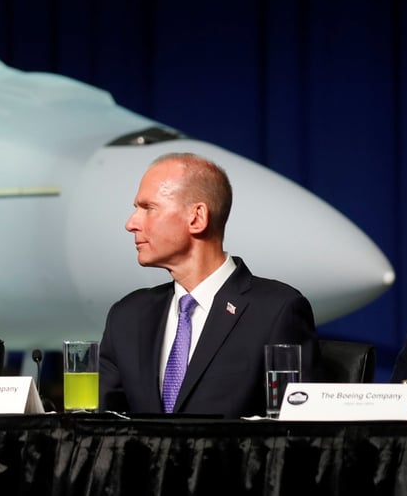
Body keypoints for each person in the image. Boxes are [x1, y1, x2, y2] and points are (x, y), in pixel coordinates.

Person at [98, 153, 320, 418]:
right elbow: (97, 427)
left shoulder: (276, 311)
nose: (131, 223)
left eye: (148, 208)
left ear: (197, 217)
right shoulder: (127, 316)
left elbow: (300, 431)